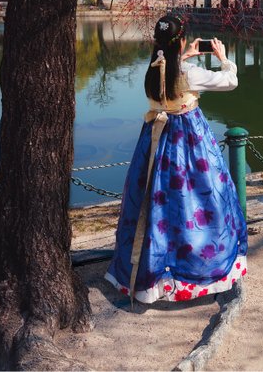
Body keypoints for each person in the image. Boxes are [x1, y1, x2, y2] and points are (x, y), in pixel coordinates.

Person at [106, 15, 247, 306]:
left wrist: (183, 55)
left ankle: (151, 271)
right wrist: (223, 58)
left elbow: (168, 70)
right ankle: (194, 267)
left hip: (155, 143)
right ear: (181, 41)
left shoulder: (151, 71)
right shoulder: (189, 73)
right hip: (188, 142)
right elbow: (230, 81)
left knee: (153, 201)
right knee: (201, 198)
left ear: (157, 43)